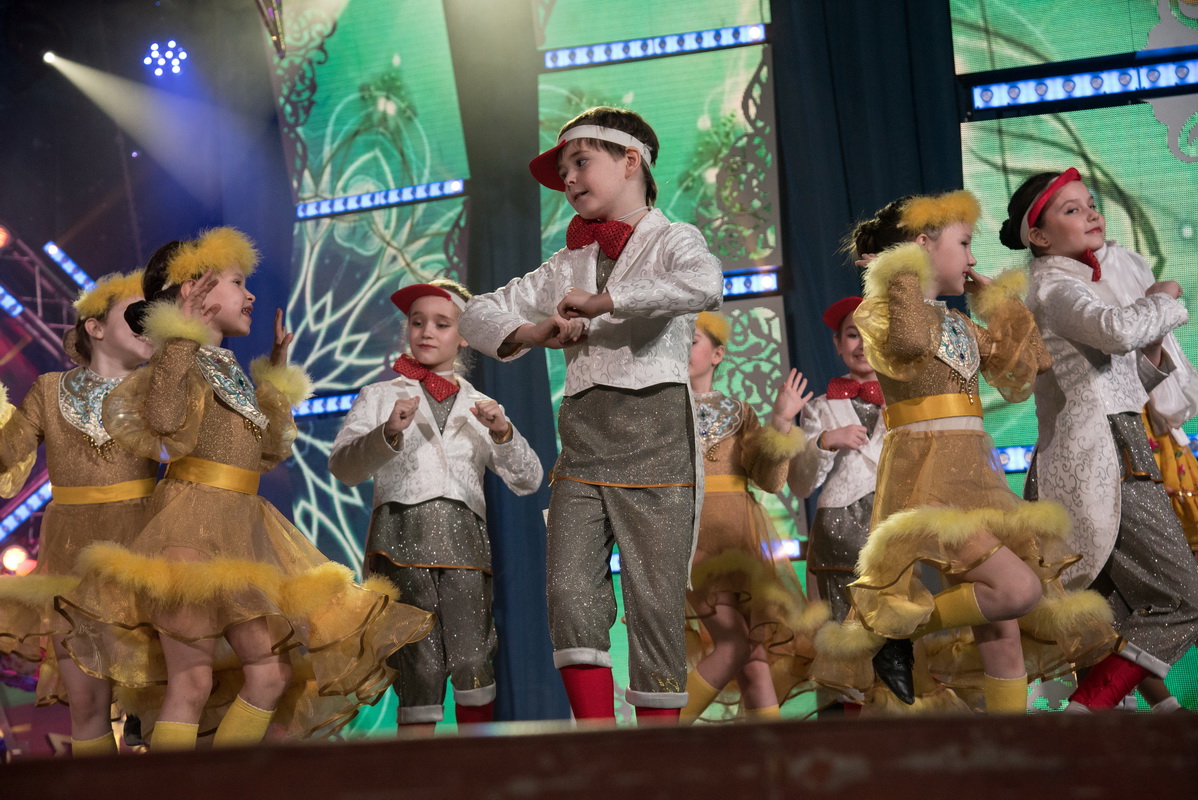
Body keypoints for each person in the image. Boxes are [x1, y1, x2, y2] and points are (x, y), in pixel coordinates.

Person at [59, 228, 433, 749]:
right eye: (237, 282)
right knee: (192, 680)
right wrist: (182, 333)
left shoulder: (227, 365)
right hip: (188, 532)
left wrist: (275, 379)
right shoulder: (176, 357)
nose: (251, 294)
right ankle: (179, 788)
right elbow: (163, 420)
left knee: (271, 674)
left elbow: (267, 452)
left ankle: (220, 782)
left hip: (240, 531)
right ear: (194, 290)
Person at [460, 106, 723, 724]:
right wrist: (535, 331)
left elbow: (705, 283)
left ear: (631, 161)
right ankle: (596, 744)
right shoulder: (565, 262)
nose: (571, 180)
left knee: (654, 605)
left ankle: (654, 755)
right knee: (568, 593)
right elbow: (476, 312)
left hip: (656, 440)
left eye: (581, 162)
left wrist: (607, 301)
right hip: (581, 444)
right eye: (564, 173)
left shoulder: (672, 238)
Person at [812, 190, 1114, 713]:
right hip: (927, 483)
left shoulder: (957, 324)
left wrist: (996, 303)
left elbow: (1033, 363)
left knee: (1003, 631)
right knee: (1018, 591)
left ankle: (1006, 749)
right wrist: (902, 270)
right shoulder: (882, 311)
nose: (973, 258)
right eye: (965, 244)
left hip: (974, 480)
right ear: (923, 245)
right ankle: (892, 630)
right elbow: (910, 341)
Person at [1001, 168, 1198, 711]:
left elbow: (1122, 381)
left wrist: (1152, 349)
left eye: (1090, 203)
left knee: (1100, 614)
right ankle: (1084, 713)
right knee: (1183, 598)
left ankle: (1119, 718)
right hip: (1102, 457)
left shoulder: (1073, 284)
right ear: (1038, 236)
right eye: (1071, 209)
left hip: (1111, 447)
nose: (1091, 213)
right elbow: (1117, 331)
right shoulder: (1054, 286)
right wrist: (1162, 297)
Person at [329, 278, 543, 732]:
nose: (427, 331)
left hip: (465, 547)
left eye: (442, 324)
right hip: (399, 541)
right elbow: (344, 467)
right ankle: (417, 768)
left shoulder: (482, 404)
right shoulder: (381, 396)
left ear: (464, 335)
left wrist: (502, 432)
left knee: (473, 661)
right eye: (417, 322)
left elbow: (529, 479)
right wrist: (387, 433)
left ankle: (473, 766)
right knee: (419, 667)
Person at [0, 272, 155, 756]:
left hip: (145, 552)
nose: (150, 324)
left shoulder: (161, 390)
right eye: (137, 313)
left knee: (155, 701)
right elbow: (7, 454)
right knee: (87, 707)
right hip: (72, 562)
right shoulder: (49, 390)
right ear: (96, 326)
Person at [680, 311, 824, 724]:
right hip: (692, 537)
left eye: (692, 340)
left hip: (741, 542)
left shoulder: (740, 412)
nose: (681, 348)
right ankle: (654, 739)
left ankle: (771, 760)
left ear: (717, 354)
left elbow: (770, 480)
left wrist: (780, 422)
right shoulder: (660, 411)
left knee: (755, 660)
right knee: (735, 646)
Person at [789, 297, 885, 624]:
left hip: (894, 527)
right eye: (854, 335)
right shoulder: (819, 407)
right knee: (846, 634)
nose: (862, 345)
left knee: (899, 634)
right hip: (839, 532)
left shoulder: (906, 402)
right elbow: (800, 484)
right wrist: (825, 442)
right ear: (838, 343)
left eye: (872, 334)